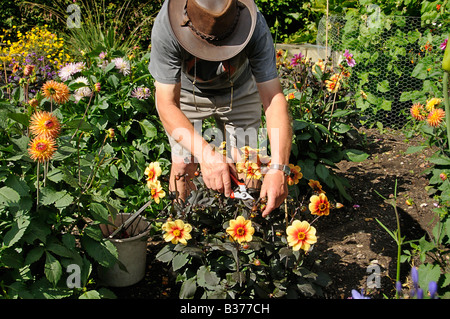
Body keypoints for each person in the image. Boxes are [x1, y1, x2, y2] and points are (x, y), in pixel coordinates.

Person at [148, 0, 292, 217]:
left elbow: (273, 98)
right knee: (183, 165)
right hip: (188, 93)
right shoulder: (167, 26)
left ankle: (245, 228)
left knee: (248, 161)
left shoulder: (254, 25)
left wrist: (279, 168)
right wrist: (206, 155)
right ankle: (183, 225)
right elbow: (167, 104)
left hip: (239, 89)